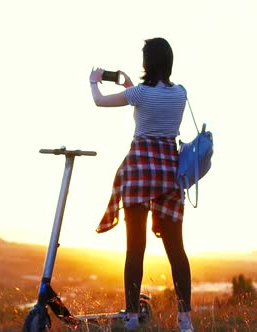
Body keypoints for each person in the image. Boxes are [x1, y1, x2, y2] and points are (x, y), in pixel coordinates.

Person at [89, 38, 193, 332]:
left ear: (147, 63)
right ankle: (185, 320)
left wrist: (94, 81)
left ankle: (132, 318)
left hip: (138, 171)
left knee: (135, 248)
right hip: (168, 174)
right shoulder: (181, 94)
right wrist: (128, 85)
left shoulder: (140, 94)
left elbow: (101, 101)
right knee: (177, 250)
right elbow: (149, 102)